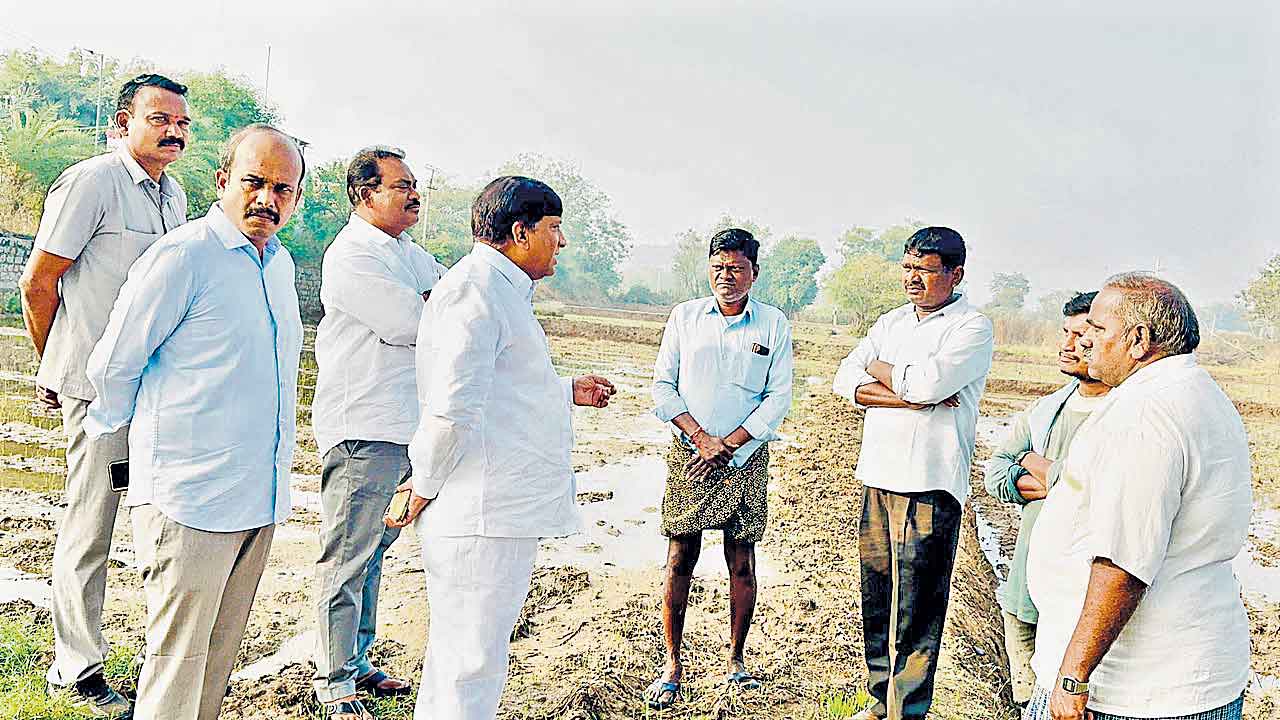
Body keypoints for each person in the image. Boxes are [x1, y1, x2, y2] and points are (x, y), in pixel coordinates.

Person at [84, 124, 306, 720]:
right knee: (176, 664)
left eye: (282, 189)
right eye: (253, 182)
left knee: (216, 660)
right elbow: (113, 366)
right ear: (222, 181)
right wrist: (140, 472)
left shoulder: (277, 268)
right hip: (188, 499)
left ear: (296, 198)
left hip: (257, 498)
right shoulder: (184, 257)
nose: (266, 199)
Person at [386, 176, 616, 720]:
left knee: (465, 661)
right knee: (471, 665)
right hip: (479, 512)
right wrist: (421, 486)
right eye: (554, 229)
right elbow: (453, 407)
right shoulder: (477, 291)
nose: (561, 242)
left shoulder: (499, 291)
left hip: (494, 510)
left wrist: (564, 391)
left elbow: (497, 387)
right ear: (520, 231)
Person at [19, 73, 191, 717]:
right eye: (158, 118)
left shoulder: (174, 198)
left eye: (181, 122)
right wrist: (61, 369)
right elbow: (39, 284)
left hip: (151, 394)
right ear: (124, 122)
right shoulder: (93, 182)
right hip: (95, 393)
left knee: (149, 516)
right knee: (89, 523)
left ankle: (152, 654)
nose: (173, 131)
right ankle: (75, 665)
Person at [1023, 273, 1251, 720]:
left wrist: (1072, 678)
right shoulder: (1196, 393)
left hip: (1130, 691)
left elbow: (1122, 562)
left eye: (1100, 329)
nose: (1086, 341)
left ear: (1139, 340)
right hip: (1184, 677)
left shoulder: (1145, 413)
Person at [832, 226, 994, 720]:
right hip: (879, 476)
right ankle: (879, 700)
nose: (912, 279)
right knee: (877, 592)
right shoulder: (891, 322)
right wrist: (912, 394)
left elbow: (927, 383)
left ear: (954, 273)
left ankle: (910, 709)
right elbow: (845, 378)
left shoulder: (971, 327)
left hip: (930, 483)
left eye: (923, 270)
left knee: (919, 606)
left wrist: (885, 372)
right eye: (907, 268)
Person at [310, 146, 447, 719]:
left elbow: (451, 305)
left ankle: (358, 661)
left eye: (416, 184)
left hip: (404, 424)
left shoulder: (408, 253)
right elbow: (414, 323)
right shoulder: (352, 256)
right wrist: (427, 307)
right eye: (401, 185)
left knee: (376, 551)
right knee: (347, 553)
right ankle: (334, 680)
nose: (414, 194)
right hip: (363, 423)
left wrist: (429, 304)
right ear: (364, 194)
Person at [645, 227, 794, 709]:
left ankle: (737, 662)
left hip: (743, 460)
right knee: (678, 559)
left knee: (742, 562)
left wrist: (729, 444)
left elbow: (778, 398)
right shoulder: (685, 318)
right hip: (691, 456)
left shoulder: (773, 325)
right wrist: (702, 439)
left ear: (754, 272)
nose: (725, 277)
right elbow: (663, 387)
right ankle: (671, 666)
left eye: (735, 268)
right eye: (717, 268)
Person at [983, 291, 1109, 706]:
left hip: (1080, 602)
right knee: (1027, 699)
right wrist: (1050, 479)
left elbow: (1096, 493)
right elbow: (996, 470)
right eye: (1066, 333)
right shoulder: (1047, 409)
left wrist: (1044, 469)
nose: (1068, 345)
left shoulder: (1122, 416)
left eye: (1082, 336)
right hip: (1026, 588)